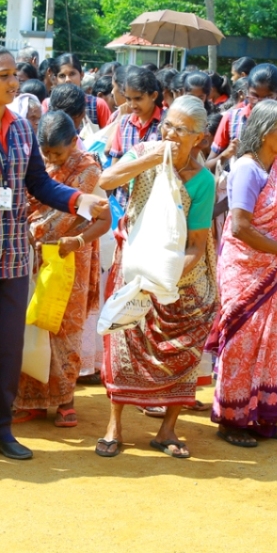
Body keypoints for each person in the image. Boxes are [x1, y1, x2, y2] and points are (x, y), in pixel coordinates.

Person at [0, 47, 105, 466]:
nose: (13, 82)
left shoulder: (21, 131)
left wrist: (79, 200)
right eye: (3, 75)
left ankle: (0, 430)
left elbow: (38, 185)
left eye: (14, 74)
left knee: (8, 349)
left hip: (12, 260)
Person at [90, 95, 215, 456]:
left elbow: (195, 244)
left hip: (180, 278)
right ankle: (114, 426)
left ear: (199, 139)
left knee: (188, 344)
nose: (171, 135)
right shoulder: (145, 151)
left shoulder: (203, 181)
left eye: (182, 130)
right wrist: (148, 157)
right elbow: (106, 179)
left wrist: (166, 279)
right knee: (123, 340)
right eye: (169, 126)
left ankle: (168, 429)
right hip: (135, 268)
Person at [208, 99, 277, 447]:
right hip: (246, 268)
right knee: (242, 341)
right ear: (266, 133)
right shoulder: (247, 169)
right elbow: (239, 226)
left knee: (273, 341)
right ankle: (232, 419)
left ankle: (263, 415)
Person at [14, 110, 106, 427]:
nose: (52, 159)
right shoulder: (37, 163)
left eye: (58, 152)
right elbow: (26, 199)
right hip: (33, 255)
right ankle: (32, 399)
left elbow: (75, 215)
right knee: (33, 325)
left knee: (65, 328)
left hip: (70, 256)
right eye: (46, 153)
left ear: (73, 142)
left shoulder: (88, 169)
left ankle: (66, 399)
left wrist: (44, 232)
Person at [209, 62, 277, 166]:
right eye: (254, 95)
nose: (259, 102)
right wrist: (225, 154)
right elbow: (208, 165)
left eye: (267, 97)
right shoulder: (231, 118)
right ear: (247, 90)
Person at [108, 66, 164, 158]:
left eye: (138, 99)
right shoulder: (124, 123)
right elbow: (116, 165)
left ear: (153, 96)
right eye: (128, 99)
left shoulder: (166, 122)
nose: (133, 105)